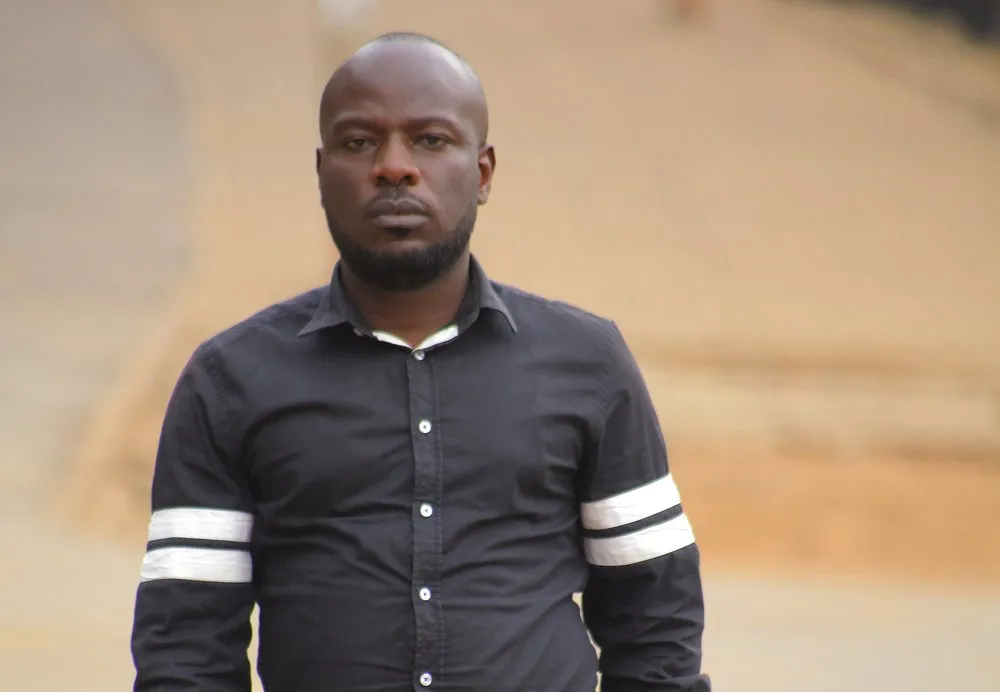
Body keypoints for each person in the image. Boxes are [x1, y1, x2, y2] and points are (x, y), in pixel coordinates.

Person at [130, 32, 711, 692]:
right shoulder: (231, 381)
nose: (394, 167)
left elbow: (656, 622)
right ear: (321, 172)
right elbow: (185, 650)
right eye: (359, 142)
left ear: (483, 173)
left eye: (430, 140)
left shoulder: (589, 365)